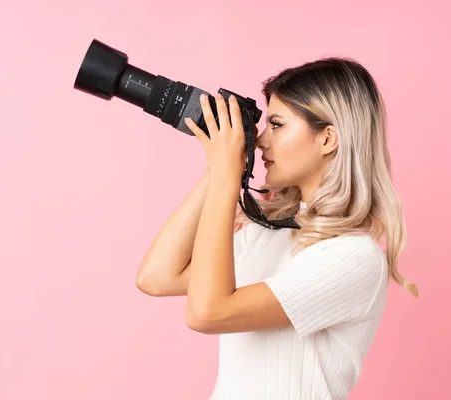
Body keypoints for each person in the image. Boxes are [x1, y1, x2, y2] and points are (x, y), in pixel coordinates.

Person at [136, 57, 419, 400]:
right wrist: (220, 167)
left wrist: (227, 175)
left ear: (328, 138)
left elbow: (208, 313)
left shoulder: (354, 256)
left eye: (277, 124)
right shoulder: (270, 231)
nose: (260, 141)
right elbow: (157, 277)